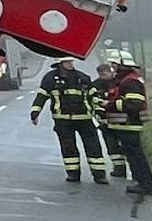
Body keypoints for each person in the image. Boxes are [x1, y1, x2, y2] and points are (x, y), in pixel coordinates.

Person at [30, 56, 106, 184]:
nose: (70, 64)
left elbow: (93, 96)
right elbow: (41, 96)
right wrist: (35, 112)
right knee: (68, 147)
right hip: (63, 120)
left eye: (71, 61)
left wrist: (100, 112)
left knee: (93, 147)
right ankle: (73, 174)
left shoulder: (82, 77)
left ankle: (99, 175)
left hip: (84, 119)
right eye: (67, 62)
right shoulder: (50, 79)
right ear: (60, 63)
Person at [100, 51, 152, 196]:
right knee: (133, 155)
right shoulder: (125, 79)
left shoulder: (130, 81)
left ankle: (145, 185)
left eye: (114, 64)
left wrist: (109, 104)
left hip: (129, 125)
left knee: (136, 156)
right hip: (124, 125)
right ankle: (140, 182)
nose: (112, 67)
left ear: (121, 65)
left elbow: (134, 104)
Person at [89, 57, 128, 182]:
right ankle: (119, 169)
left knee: (125, 145)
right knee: (112, 146)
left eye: (105, 73)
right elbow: (93, 103)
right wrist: (99, 116)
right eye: (101, 74)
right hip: (105, 121)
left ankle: (132, 169)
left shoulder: (119, 82)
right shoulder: (95, 85)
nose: (103, 76)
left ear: (111, 72)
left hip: (121, 119)